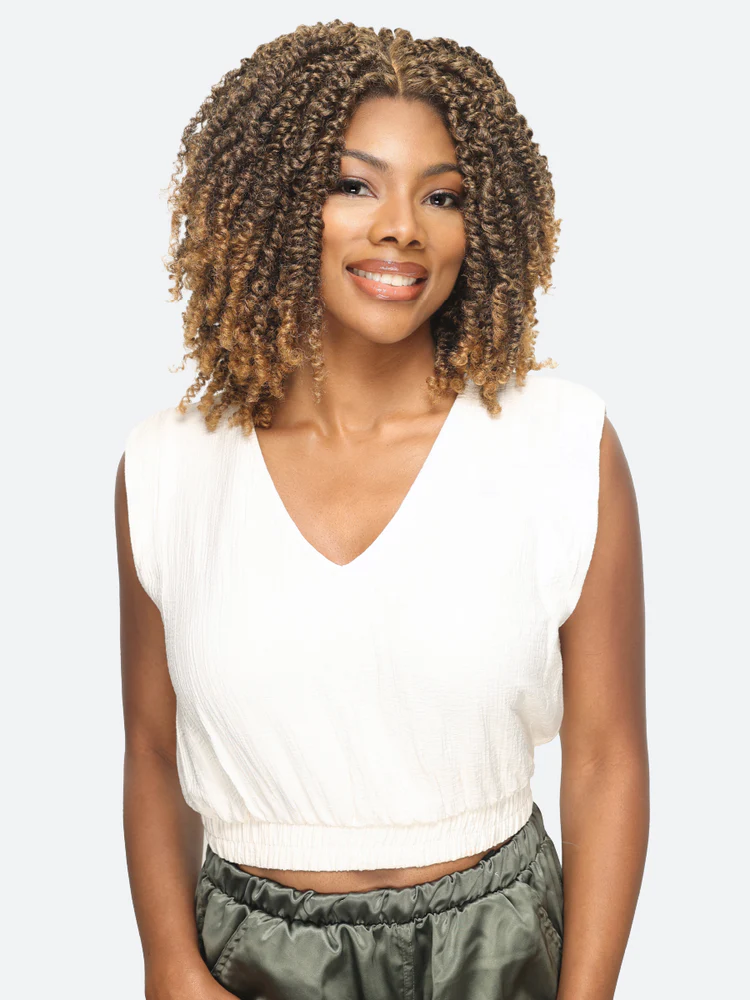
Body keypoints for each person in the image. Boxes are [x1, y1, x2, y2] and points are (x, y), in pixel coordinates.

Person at [115, 20, 648, 1000]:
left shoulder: (564, 445)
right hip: (252, 955)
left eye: (442, 195)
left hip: (497, 948)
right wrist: (170, 964)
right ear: (275, 200)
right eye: (355, 184)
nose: (402, 226)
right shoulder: (169, 466)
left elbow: (607, 756)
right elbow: (152, 746)